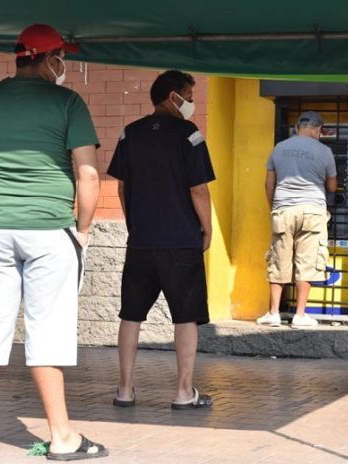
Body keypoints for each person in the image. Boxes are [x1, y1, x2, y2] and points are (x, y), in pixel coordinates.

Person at [0, 24, 107, 460]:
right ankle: (62, 437)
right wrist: (82, 230)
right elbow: (88, 174)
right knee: (47, 331)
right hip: (50, 230)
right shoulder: (68, 102)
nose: (65, 65)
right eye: (62, 57)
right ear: (47, 59)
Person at [107, 70, 215, 410]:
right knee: (185, 316)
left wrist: (134, 224)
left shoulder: (130, 133)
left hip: (141, 241)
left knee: (131, 315)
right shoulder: (189, 135)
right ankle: (184, 392)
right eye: (189, 96)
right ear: (173, 97)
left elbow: (122, 187)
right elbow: (198, 189)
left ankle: (125, 389)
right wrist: (207, 228)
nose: (191, 103)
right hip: (181, 241)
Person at [256, 111, 337, 328]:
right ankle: (300, 315)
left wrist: (274, 208)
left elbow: (268, 184)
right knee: (307, 261)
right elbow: (332, 185)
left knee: (278, 259)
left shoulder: (279, 148)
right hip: (313, 210)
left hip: (283, 209)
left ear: (296, 128)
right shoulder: (325, 151)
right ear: (318, 129)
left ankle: (273, 313)